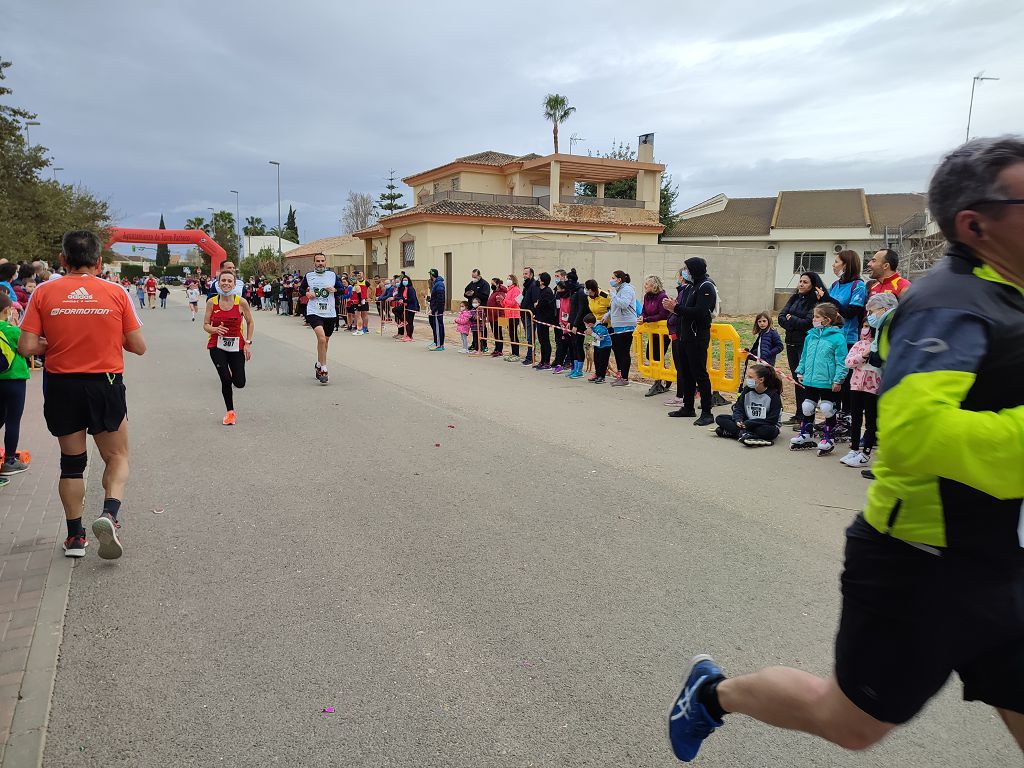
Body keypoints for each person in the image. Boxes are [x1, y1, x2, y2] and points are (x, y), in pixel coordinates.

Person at [668, 136, 1024, 764]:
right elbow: (915, 433)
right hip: (923, 565)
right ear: (977, 223)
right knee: (849, 722)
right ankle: (713, 695)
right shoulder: (947, 307)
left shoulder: (1011, 292)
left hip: (1004, 561)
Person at [17, 230, 146, 560]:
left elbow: (27, 347)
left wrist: (54, 343)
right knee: (117, 457)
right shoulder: (116, 292)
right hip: (104, 383)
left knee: (72, 465)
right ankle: (110, 515)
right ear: (99, 262)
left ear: (63, 260)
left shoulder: (44, 292)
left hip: (62, 385)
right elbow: (138, 346)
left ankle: (75, 537)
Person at [666, 258, 718, 426]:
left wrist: (676, 308)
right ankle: (688, 407)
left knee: (700, 374)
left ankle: (707, 411)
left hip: (697, 337)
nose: (684, 272)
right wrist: (674, 307)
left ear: (695, 269)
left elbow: (700, 312)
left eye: (687, 269)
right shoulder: (689, 287)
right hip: (684, 337)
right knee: (686, 373)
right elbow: (683, 310)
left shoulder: (706, 287)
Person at [790, 303, 848, 455]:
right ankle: (806, 432)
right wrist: (800, 371)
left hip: (828, 381)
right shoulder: (811, 335)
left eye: (816, 317)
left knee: (828, 408)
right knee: (807, 407)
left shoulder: (838, 339)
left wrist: (838, 380)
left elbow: (841, 361)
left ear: (827, 320)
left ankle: (829, 437)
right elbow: (804, 355)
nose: (813, 319)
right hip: (811, 379)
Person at [777, 272, 828, 423]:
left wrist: (791, 319)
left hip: (804, 344)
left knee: (805, 379)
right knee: (796, 379)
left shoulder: (815, 303)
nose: (801, 284)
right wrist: (792, 323)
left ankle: (807, 417)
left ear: (813, 284)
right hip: (791, 342)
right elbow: (781, 317)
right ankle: (799, 414)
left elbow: (807, 322)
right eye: (800, 281)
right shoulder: (794, 298)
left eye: (805, 282)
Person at [204, 271, 254, 425]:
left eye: (229, 281)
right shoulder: (212, 302)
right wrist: (214, 330)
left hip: (236, 345)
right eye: (223, 280)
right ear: (218, 283)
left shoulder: (241, 302)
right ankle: (230, 412)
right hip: (216, 345)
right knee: (225, 379)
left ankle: (232, 370)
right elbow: (205, 325)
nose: (226, 283)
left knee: (239, 382)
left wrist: (247, 342)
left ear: (234, 284)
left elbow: (250, 322)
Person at [838, 321, 881, 468]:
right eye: (864, 326)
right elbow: (849, 362)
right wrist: (864, 354)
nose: (865, 329)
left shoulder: (882, 346)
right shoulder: (858, 345)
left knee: (871, 421)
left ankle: (865, 453)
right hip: (856, 386)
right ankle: (854, 449)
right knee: (855, 418)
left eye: (868, 326)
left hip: (873, 388)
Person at [298, 253, 343, 384]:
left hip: (329, 312)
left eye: (322, 261)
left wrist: (334, 289)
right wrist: (306, 293)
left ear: (326, 262)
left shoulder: (332, 275)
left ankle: (318, 363)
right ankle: (324, 369)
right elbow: (301, 289)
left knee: (325, 341)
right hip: (314, 311)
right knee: (321, 338)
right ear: (314, 263)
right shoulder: (309, 276)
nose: (320, 263)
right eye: (318, 261)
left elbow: (342, 290)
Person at [712, 364, 783, 446]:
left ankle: (735, 433)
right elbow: (739, 407)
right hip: (746, 423)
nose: (747, 379)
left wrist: (750, 423)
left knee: (767, 431)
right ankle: (746, 435)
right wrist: (738, 419)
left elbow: (772, 420)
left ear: (761, 380)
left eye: (750, 377)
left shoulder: (774, 395)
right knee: (720, 418)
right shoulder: (747, 390)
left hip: (764, 425)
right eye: (747, 377)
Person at [0, 293, 31, 477]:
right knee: (12, 420)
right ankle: (10, 460)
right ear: (7, 310)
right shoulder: (12, 331)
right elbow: (26, 349)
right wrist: (16, 325)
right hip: (14, 381)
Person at [639, 275, 670, 396]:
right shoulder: (647, 296)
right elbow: (644, 310)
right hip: (653, 332)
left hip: (663, 332)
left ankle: (659, 381)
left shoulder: (663, 297)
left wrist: (646, 319)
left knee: (658, 356)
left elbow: (663, 315)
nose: (645, 286)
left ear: (654, 286)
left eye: (647, 284)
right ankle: (664, 376)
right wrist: (642, 316)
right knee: (650, 355)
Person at [606, 270, 638, 387]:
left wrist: (613, 296)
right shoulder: (618, 290)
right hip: (618, 324)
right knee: (618, 351)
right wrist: (606, 316)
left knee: (624, 352)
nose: (611, 280)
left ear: (619, 279)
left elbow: (624, 304)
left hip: (626, 324)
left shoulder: (627, 289)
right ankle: (621, 376)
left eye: (613, 278)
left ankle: (625, 377)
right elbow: (614, 307)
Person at [565, 269, 588, 379]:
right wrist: (569, 322)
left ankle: (579, 370)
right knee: (573, 346)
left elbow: (580, 310)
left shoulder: (580, 292)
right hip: (573, 322)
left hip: (579, 324)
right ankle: (574, 368)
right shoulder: (572, 291)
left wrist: (575, 324)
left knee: (579, 345)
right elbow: (572, 310)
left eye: (567, 281)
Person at [463, 269, 490, 353]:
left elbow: (485, 296)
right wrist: (467, 294)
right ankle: (475, 344)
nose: (473, 278)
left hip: (481, 309)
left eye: (475, 277)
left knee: (482, 327)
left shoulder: (484, 284)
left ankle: (484, 344)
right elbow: (466, 291)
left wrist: (474, 294)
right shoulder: (472, 283)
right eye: (472, 277)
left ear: (479, 275)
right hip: (472, 309)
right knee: (474, 327)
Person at [533, 272, 555, 370]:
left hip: (545, 320)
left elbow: (541, 305)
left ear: (542, 281)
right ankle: (542, 361)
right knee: (541, 341)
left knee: (545, 340)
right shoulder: (540, 290)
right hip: (539, 319)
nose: (537, 280)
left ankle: (547, 361)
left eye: (539, 279)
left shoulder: (547, 291)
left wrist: (537, 305)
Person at [519, 267, 540, 366]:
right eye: (523, 274)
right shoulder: (526, 285)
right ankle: (529, 356)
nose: (524, 275)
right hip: (524, 314)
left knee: (530, 337)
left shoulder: (534, 285)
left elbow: (535, 301)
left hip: (530, 314)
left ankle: (530, 357)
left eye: (526, 274)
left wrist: (533, 313)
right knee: (528, 336)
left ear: (531, 274)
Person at [583, 314, 612, 383]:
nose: (585, 326)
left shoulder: (600, 327)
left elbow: (601, 338)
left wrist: (592, 333)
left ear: (590, 324)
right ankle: (597, 374)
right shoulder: (593, 327)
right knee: (596, 360)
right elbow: (595, 337)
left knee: (603, 361)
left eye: (585, 324)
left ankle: (602, 376)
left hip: (605, 346)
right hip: (598, 345)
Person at [501, 274, 522, 361]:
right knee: (510, 334)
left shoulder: (516, 290)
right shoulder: (508, 290)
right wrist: (502, 301)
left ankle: (516, 353)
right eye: (507, 278)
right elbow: (505, 304)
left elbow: (513, 303)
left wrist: (504, 300)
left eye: (510, 279)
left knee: (514, 335)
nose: (508, 280)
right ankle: (513, 352)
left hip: (514, 315)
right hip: (507, 315)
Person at [393, 275, 419, 341]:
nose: (404, 281)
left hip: (411, 307)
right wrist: (397, 299)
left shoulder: (410, 288)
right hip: (407, 306)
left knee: (410, 322)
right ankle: (408, 335)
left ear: (409, 281)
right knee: (407, 321)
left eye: (406, 280)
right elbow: (402, 297)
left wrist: (404, 300)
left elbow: (412, 299)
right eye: (404, 280)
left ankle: (410, 336)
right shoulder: (405, 288)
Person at [427, 268, 446, 351]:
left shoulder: (439, 284)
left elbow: (440, 299)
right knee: (437, 326)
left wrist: (434, 309)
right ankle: (438, 343)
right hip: (437, 308)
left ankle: (439, 345)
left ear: (431, 275)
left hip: (438, 309)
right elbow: (436, 298)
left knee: (438, 327)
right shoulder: (437, 284)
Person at [486, 278, 506, 357]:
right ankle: (496, 349)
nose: (492, 285)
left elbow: (501, 306)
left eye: (493, 284)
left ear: (497, 284)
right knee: (495, 334)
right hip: (492, 317)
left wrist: (502, 318)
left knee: (499, 334)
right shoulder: (494, 292)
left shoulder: (500, 293)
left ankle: (499, 350)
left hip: (498, 317)